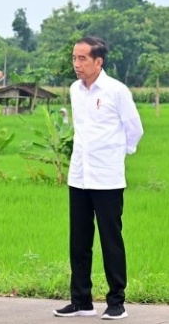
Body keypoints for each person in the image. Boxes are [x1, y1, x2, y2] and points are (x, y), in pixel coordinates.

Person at [53, 36, 143, 320]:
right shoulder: (74, 90)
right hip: (79, 175)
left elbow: (134, 129)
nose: (76, 64)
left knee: (111, 241)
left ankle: (117, 302)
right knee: (79, 242)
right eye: (74, 58)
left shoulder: (117, 91)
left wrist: (116, 155)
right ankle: (81, 301)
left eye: (82, 59)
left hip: (107, 179)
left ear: (98, 61)